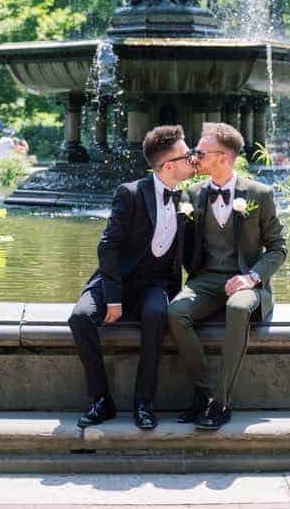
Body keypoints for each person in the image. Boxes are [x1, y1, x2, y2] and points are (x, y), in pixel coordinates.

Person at [68, 124, 194, 431]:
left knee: (156, 314)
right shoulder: (131, 193)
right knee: (80, 318)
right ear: (168, 165)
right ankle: (101, 400)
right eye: (187, 155)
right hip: (117, 280)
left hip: (154, 284)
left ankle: (143, 402)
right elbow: (108, 247)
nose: (192, 159)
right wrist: (112, 296)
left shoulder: (190, 198)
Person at [168, 122, 287, 431]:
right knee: (176, 312)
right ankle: (206, 392)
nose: (195, 157)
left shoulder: (260, 194)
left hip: (245, 279)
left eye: (200, 152)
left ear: (222, 157)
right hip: (206, 280)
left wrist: (252, 277)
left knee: (237, 309)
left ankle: (221, 402)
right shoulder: (192, 193)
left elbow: (278, 248)